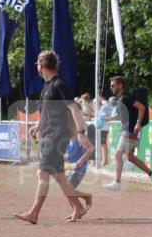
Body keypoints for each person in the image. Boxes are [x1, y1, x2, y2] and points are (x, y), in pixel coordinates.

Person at [13, 50, 94, 224]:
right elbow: (48, 113)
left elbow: (74, 109)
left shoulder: (59, 84)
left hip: (57, 137)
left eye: (37, 64)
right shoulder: (47, 86)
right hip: (48, 135)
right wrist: (38, 125)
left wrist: (80, 133)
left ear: (41, 66)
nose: (37, 67)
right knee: (60, 177)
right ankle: (79, 207)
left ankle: (34, 213)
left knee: (42, 173)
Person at [102, 76, 152, 191]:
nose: (111, 87)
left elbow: (142, 108)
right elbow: (120, 115)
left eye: (113, 85)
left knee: (118, 155)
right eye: (111, 85)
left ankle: (117, 183)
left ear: (120, 85)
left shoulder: (125, 97)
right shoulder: (121, 99)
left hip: (129, 131)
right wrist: (108, 119)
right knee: (130, 157)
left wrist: (138, 123)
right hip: (127, 131)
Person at [94, 95, 118, 167]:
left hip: (103, 127)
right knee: (103, 144)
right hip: (106, 127)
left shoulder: (105, 106)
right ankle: (105, 160)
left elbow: (101, 116)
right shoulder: (110, 107)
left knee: (102, 144)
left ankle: (105, 161)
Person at [76, 93, 96, 158]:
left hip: (87, 123)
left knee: (86, 141)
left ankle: (86, 156)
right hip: (84, 123)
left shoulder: (86, 103)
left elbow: (90, 112)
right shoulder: (82, 102)